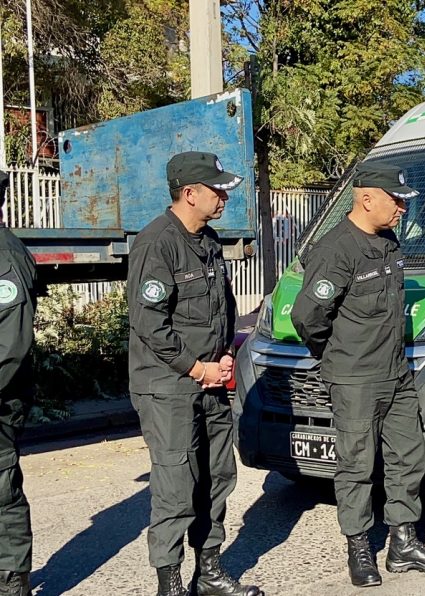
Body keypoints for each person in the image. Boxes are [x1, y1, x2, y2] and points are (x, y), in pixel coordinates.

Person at [291, 161, 425, 588]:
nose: (402, 208)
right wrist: (337, 357)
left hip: (395, 372)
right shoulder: (336, 249)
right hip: (355, 378)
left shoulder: (389, 243)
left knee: (407, 457)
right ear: (367, 198)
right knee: (357, 465)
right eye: (396, 200)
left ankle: (403, 541)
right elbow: (307, 316)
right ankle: (359, 547)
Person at [127, 152, 263, 596]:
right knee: (176, 481)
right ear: (189, 193)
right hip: (169, 384)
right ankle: (170, 581)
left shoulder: (207, 240)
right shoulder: (156, 244)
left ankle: (209, 572)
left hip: (209, 380)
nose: (224, 196)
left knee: (217, 475)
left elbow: (222, 307)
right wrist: (196, 366)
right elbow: (150, 324)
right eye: (216, 189)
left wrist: (223, 355)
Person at [0, 171, 37, 596]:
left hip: (1, 398)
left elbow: (10, 345)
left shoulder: (6, 256)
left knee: (2, 490)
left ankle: (12, 583)